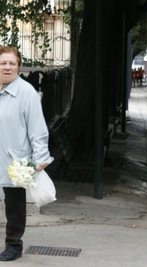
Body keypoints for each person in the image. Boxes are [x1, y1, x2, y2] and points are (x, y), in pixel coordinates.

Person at [0, 46, 53, 261]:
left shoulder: (26, 92)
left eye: (12, 63)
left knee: (14, 205)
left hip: (14, 159)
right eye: (3, 63)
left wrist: (41, 157)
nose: (7, 67)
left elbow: (37, 128)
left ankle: (13, 244)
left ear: (18, 67)